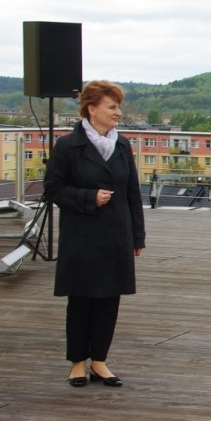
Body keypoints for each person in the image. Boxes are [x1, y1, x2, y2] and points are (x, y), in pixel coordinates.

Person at [44, 80, 145, 388]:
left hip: (116, 233)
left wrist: (137, 237)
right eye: (112, 106)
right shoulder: (67, 146)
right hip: (82, 234)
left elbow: (132, 193)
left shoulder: (122, 144)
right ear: (92, 109)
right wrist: (89, 198)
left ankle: (99, 361)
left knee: (108, 299)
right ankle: (77, 362)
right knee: (81, 298)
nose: (118, 112)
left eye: (118, 106)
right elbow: (53, 189)